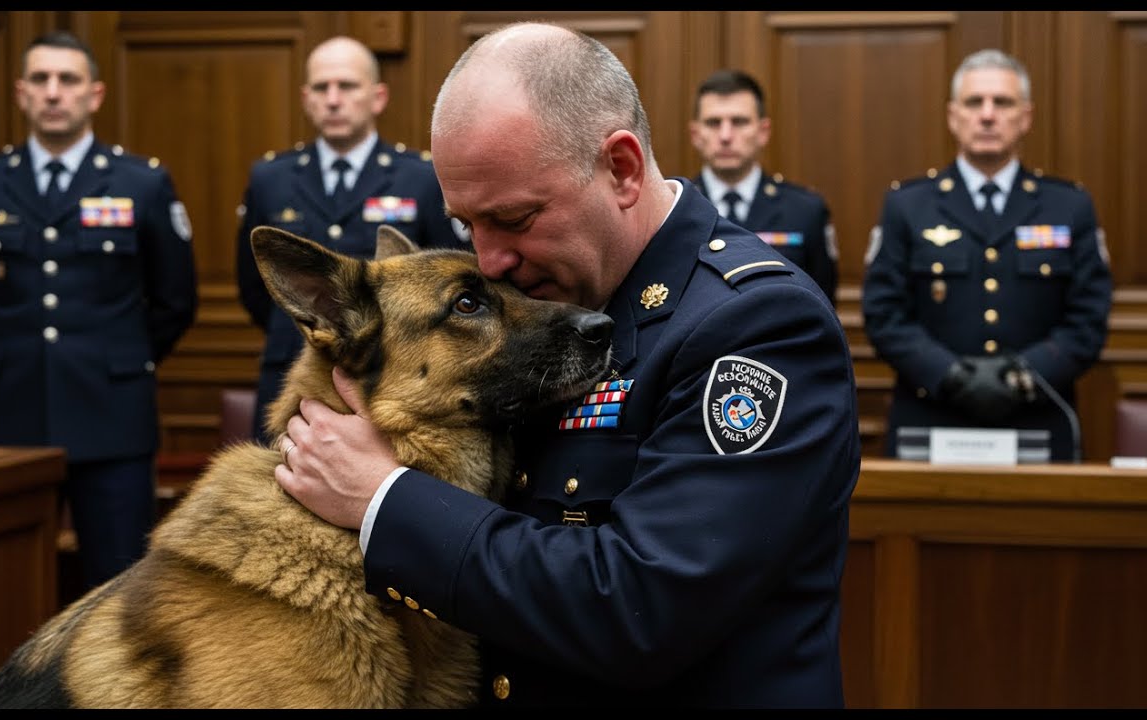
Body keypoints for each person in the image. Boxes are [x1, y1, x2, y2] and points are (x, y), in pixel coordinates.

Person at [273, 22, 860, 708]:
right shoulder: (548, 305)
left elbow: (639, 612)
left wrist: (382, 497)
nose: (489, 261)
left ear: (622, 168)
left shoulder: (755, 328)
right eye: (468, 225)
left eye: (515, 219)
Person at [0, 31, 198, 593]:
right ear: (21, 93)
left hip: (112, 415)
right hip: (9, 417)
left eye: (68, 80)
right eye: (40, 79)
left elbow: (175, 300)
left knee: (118, 586)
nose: (53, 92)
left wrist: (118, 359)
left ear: (95, 94)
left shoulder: (141, 182)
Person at [861, 48, 1112, 463]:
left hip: (1037, 418)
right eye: (975, 102)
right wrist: (950, 375)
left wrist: (1023, 376)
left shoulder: (1069, 207)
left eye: (1003, 102)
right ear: (953, 116)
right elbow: (884, 314)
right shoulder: (908, 206)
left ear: (1026, 117)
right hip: (932, 415)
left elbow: (1088, 319)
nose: (988, 114)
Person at [235, 35, 468, 443]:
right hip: (291, 376)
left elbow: (454, 272)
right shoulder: (270, 179)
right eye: (322, 88)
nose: (333, 99)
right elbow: (257, 289)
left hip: (383, 384)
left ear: (378, 97)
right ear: (306, 99)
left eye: (347, 86)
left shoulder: (420, 177)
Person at [688, 69, 838, 304]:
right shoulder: (674, 208)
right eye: (713, 123)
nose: (726, 135)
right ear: (696, 134)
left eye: (739, 122)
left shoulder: (805, 210)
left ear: (763, 131)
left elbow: (821, 301)